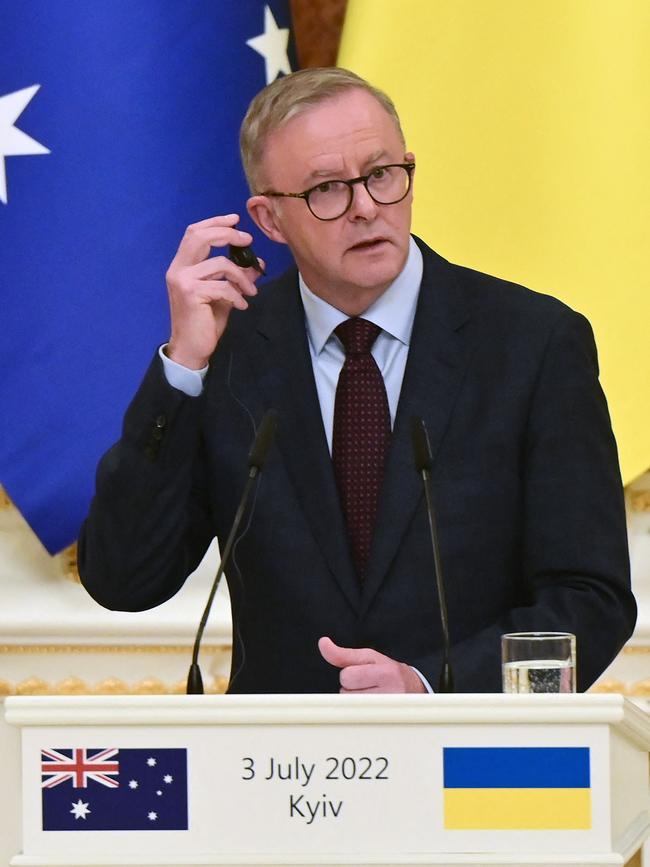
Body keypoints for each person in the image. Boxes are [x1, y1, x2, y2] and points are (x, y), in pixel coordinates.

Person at [78, 67, 636, 694]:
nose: (367, 207)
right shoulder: (229, 356)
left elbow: (591, 599)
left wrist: (432, 688)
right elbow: (125, 581)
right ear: (270, 218)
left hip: (476, 769)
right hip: (277, 774)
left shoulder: (532, 344)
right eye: (326, 190)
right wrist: (182, 368)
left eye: (381, 175)